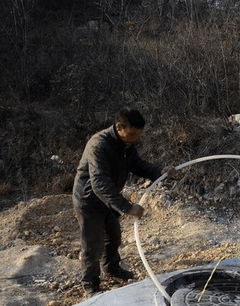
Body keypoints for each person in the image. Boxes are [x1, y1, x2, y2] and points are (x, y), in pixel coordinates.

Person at [72, 108, 174, 295]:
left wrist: (161, 172)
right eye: (133, 133)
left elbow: (137, 165)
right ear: (119, 127)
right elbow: (100, 183)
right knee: (93, 244)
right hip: (89, 200)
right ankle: (90, 284)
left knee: (113, 236)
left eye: (138, 134)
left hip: (108, 198)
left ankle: (111, 269)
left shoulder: (125, 143)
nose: (136, 138)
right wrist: (127, 207)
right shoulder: (99, 145)